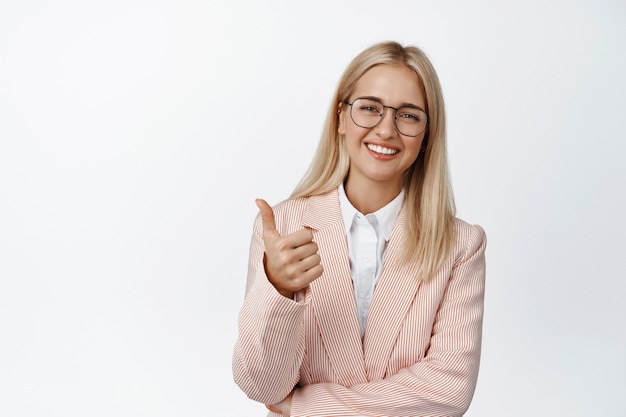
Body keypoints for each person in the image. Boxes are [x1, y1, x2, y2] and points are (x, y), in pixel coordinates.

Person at [232, 40, 486, 417]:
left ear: (427, 136)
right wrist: (278, 288)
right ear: (340, 118)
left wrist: (307, 406)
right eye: (369, 108)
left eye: (409, 115)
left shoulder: (460, 246)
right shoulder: (283, 229)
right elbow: (263, 386)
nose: (386, 129)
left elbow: (448, 390)